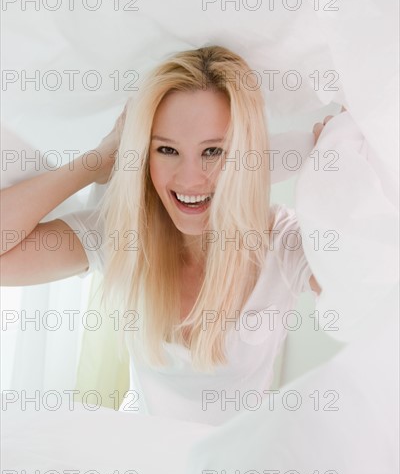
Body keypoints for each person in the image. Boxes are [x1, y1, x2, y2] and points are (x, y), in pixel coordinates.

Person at [1, 45, 332, 425]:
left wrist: (334, 174)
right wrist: (99, 161)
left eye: (212, 151)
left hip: (231, 471)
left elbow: (363, 287)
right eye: (167, 149)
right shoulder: (123, 234)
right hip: (144, 460)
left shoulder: (282, 242)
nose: (189, 179)